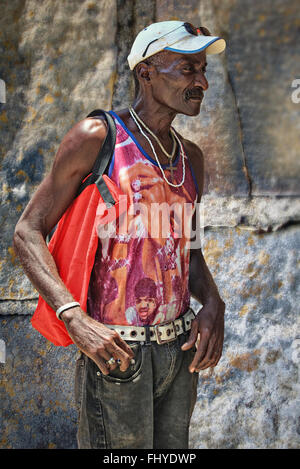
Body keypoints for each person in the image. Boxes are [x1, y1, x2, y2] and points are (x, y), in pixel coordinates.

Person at [13, 20, 226, 449]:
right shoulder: (98, 137)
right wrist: (73, 317)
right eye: (188, 69)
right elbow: (27, 232)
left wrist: (215, 302)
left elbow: (186, 249)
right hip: (117, 356)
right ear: (146, 71)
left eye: (203, 70)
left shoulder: (191, 158)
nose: (202, 81)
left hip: (179, 354)